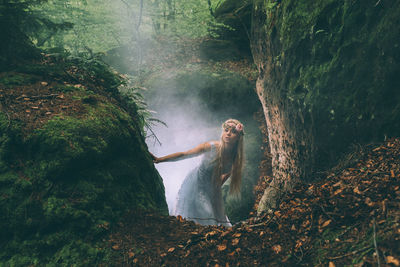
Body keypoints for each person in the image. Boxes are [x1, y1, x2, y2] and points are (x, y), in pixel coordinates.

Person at [151, 119, 245, 227]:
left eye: (233, 132)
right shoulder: (211, 146)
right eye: (226, 130)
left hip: (211, 188)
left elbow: (219, 182)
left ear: (238, 137)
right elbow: (184, 154)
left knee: (221, 221)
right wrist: (160, 159)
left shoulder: (235, 160)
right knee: (206, 213)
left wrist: (214, 196)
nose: (228, 133)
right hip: (195, 183)